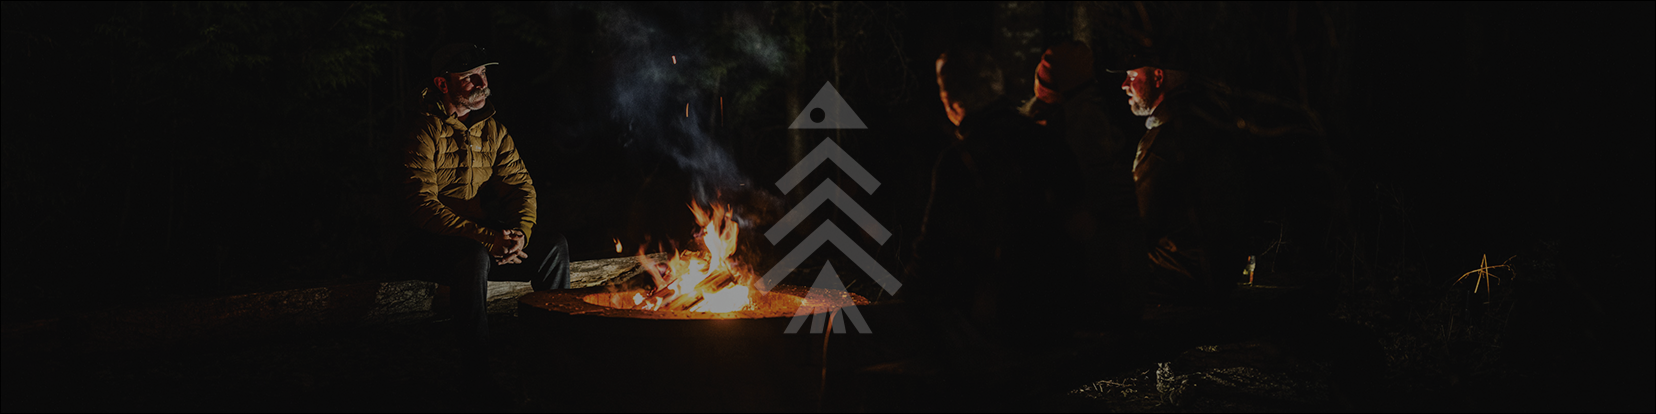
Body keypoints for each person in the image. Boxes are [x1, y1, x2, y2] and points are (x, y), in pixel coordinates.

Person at [393, 43, 571, 360]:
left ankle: (558, 354)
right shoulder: (422, 129)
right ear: (442, 83)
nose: (482, 83)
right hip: (424, 242)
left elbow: (519, 186)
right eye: (469, 77)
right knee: (474, 256)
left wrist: (520, 234)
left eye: (484, 73)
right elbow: (421, 206)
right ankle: (477, 371)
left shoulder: (493, 131)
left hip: (477, 238)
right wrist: (488, 238)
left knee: (554, 247)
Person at [910, 47, 1081, 344]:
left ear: (951, 98)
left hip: (999, 318)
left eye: (942, 89)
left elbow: (933, 253)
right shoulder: (1048, 142)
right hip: (1063, 309)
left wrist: (904, 303)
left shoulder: (960, 160)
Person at [1020, 41, 1148, 329]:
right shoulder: (1098, 114)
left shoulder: (1077, 126)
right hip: (1126, 276)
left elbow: (1083, 211)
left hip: (1106, 283)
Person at [1114, 55, 1253, 303]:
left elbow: (1139, 224)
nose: (1124, 85)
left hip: (1180, 275)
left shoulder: (1164, 139)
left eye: (1133, 76)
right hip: (1222, 272)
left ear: (1158, 77)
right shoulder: (1208, 121)